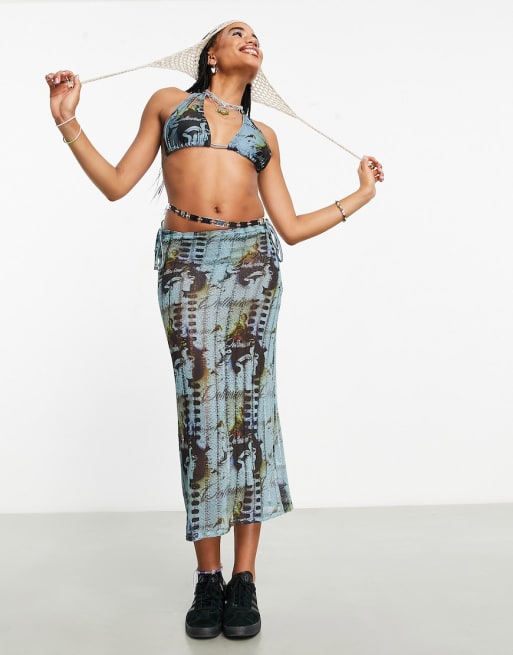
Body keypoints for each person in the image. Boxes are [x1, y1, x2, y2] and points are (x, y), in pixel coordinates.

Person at [45, 19, 384, 640]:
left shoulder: (264, 135)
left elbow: (290, 227)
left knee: (250, 413)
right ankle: (208, 577)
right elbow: (117, 185)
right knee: (201, 413)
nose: (252, 39)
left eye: (257, 36)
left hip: (253, 264)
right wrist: (68, 121)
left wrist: (360, 194)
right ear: (210, 55)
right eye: (237, 32)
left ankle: (244, 580)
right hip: (187, 264)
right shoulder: (169, 105)